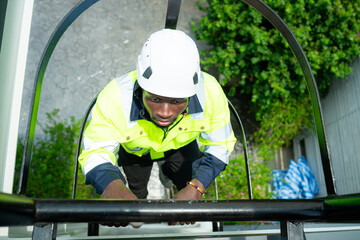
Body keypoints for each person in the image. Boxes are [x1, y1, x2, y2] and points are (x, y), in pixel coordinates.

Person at [78, 29, 237, 227]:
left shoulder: (210, 92)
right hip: (136, 153)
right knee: (135, 194)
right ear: (141, 85)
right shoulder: (114, 97)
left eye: (177, 101)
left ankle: (168, 178)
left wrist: (197, 186)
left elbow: (220, 143)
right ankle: (144, 197)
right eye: (154, 98)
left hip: (180, 146)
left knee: (186, 186)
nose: (164, 112)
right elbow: (96, 149)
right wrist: (112, 185)